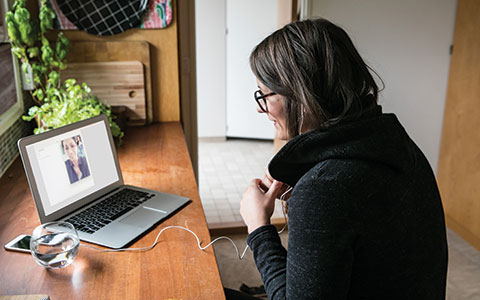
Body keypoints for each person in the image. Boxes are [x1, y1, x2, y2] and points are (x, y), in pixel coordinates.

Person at [235, 18, 448, 299]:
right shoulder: (395, 143)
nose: (262, 110)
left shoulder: (326, 187)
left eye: (265, 95)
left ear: (300, 93)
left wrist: (258, 227)